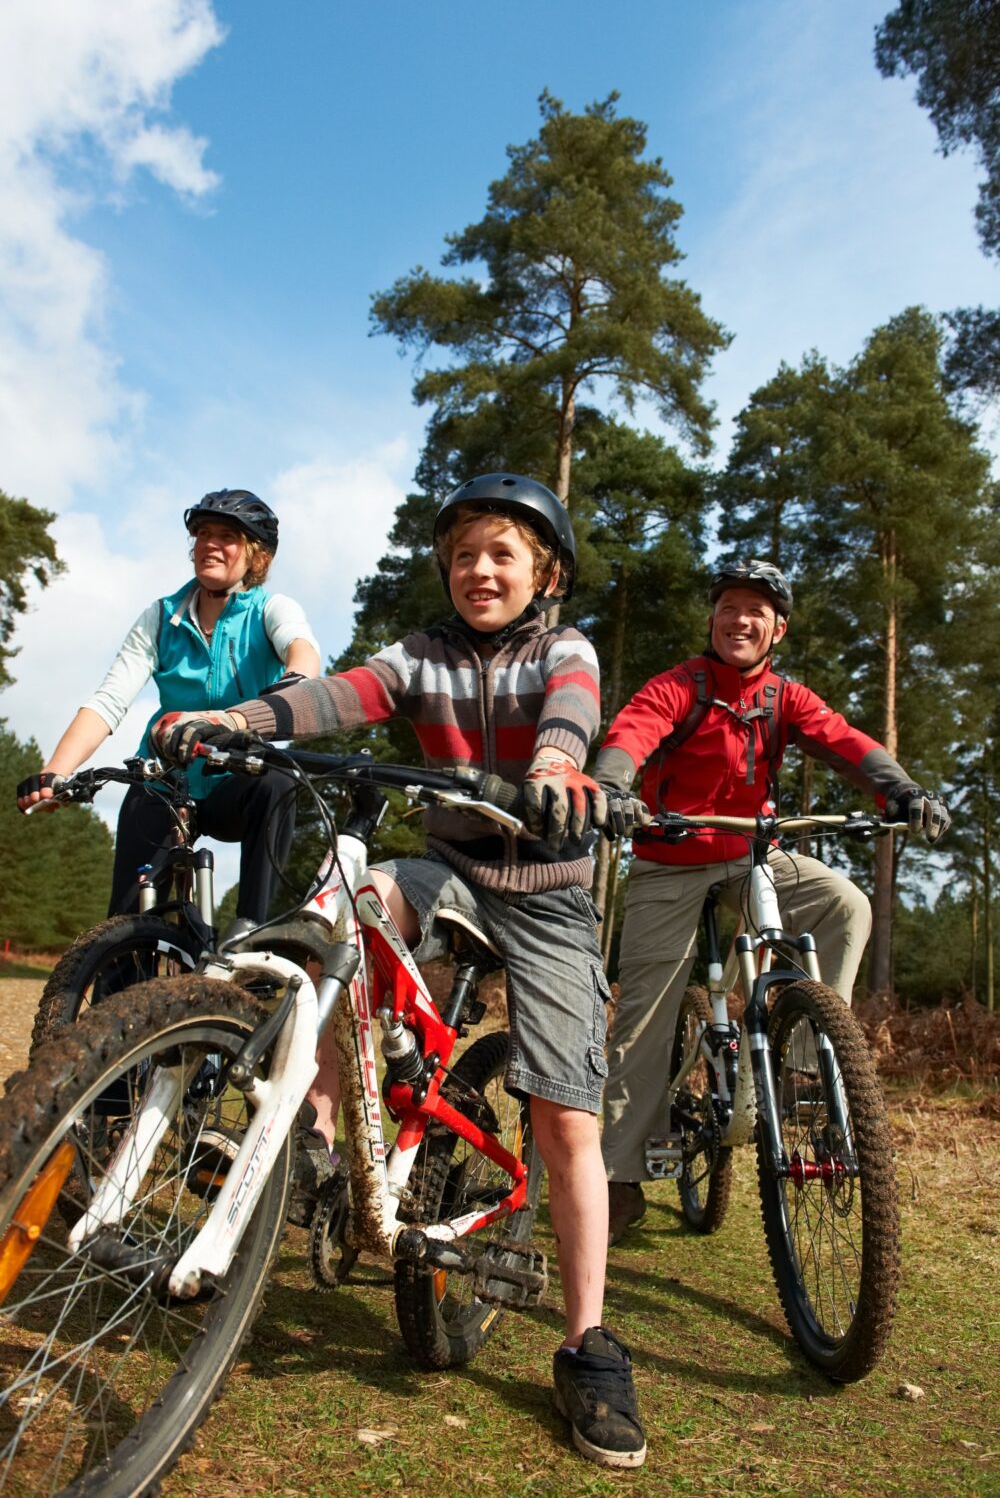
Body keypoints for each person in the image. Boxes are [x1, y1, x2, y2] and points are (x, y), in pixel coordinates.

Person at [152, 473, 647, 1470]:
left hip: (546, 885)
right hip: (449, 863)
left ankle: (588, 1341)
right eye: (465, 554)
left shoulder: (565, 648)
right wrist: (240, 723)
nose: (479, 570)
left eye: (502, 553)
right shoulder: (420, 655)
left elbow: (571, 712)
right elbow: (338, 695)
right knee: (344, 907)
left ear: (543, 573)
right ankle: (325, 1149)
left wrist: (556, 771)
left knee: (566, 1115)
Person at [593, 558, 951, 1245]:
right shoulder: (681, 687)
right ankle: (617, 1174)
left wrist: (901, 790)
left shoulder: (785, 698)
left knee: (844, 903)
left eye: (757, 611)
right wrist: (612, 786)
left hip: (754, 853)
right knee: (644, 1018)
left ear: (777, 629)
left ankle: (806, 1074)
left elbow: (846, 743)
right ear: (713, 618)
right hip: (670, 861)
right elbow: (630, 734)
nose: (741, 619)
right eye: (729, 606)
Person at [16, 489, 321, 927]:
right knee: (122, 925)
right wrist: (55, 774)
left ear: (256, 556)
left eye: (227, 536)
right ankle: (116, 977)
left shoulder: (272, 609)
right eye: (202, 533)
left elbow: (302, 653)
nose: (210, 544)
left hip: (238, 777)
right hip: (165, 777)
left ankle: (252, 935)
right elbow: (109, 699)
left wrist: (296, 680)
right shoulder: (161, 616)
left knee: (278, 780)